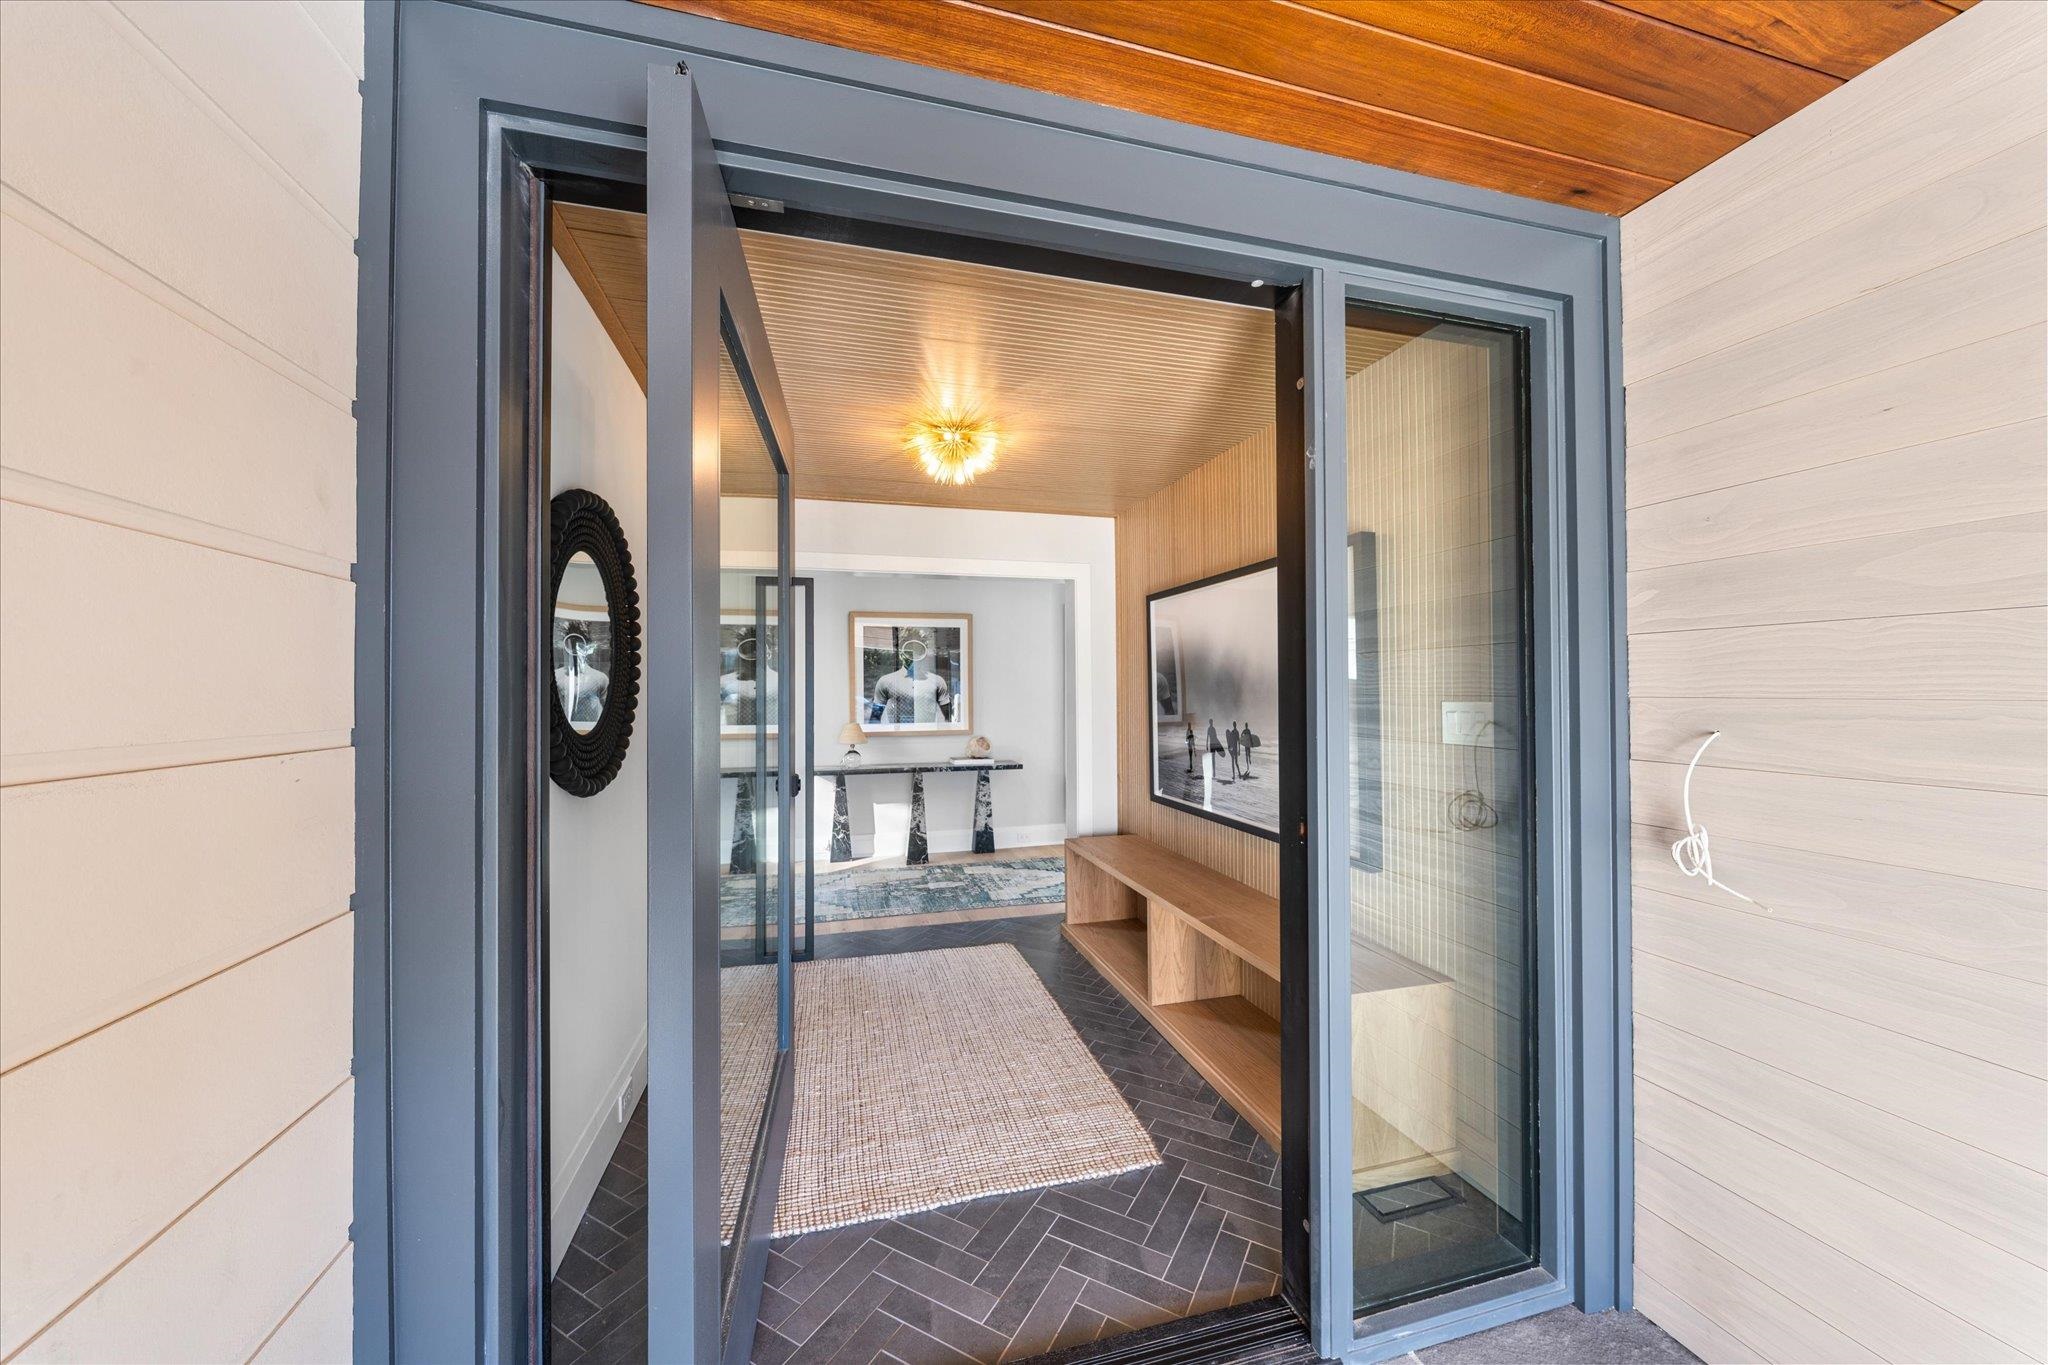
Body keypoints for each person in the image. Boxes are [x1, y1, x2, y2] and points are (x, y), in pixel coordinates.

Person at [866, 631, 954, 726]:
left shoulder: (937, 682)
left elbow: (948, 719)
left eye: (918, 650)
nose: (913, 656)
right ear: (901, 654)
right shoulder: (886, 682)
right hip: (897, 738)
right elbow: (874, 719)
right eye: (909, 651)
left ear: (924, 653)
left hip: (927, 736)